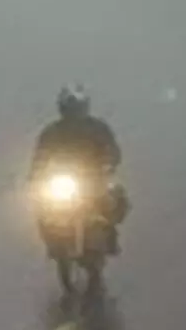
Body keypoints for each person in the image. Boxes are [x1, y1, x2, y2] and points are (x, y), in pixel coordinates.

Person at [30, 85, 130, 254]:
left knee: (113, 198)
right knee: (43, 210)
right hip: (64, 179)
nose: (73, 112)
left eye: (75, 107)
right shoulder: (52, 132)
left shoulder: (97, 127)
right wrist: (35, 174)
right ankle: (53, 243)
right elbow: (41, 156)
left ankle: (109, 233)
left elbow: (112, 150)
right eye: (69, 107)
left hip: (93, 177)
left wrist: (108, 164)